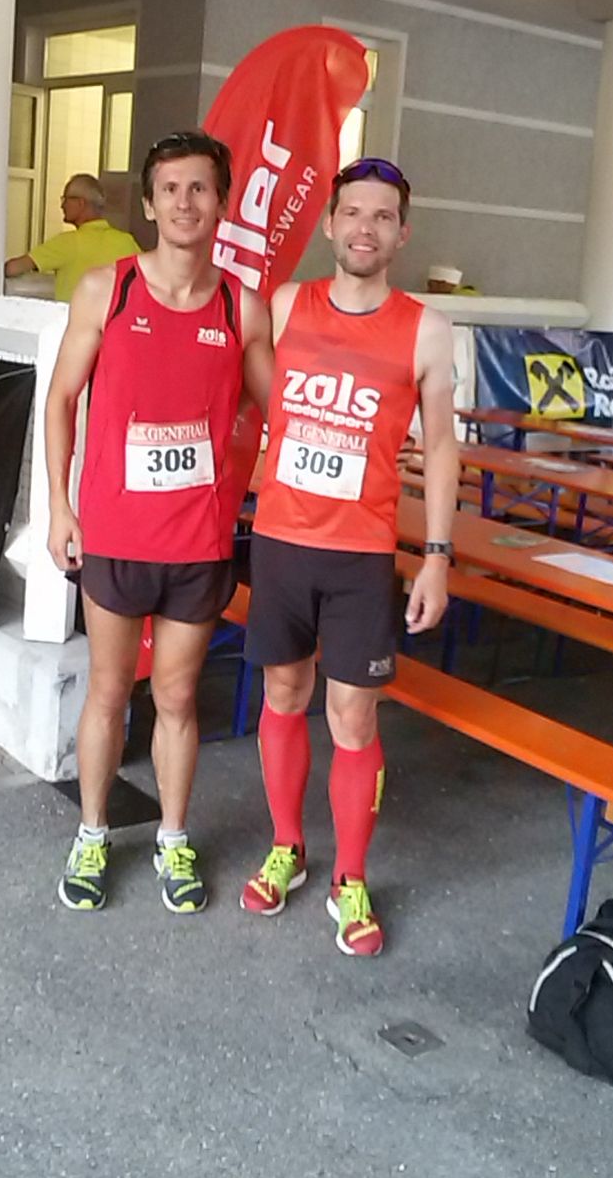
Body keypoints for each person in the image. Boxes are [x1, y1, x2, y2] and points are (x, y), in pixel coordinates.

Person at [45, 131, 273, 914]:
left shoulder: (242, 306)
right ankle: (93, 833)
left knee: (176, 698)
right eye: (170, 189)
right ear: (148, 203)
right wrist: (60, 506)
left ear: (222, 203)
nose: (184, 202)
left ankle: (174, 837)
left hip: (198, 541)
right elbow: (61, 399)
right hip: (114, 535)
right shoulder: (106, 290)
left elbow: (281, 410)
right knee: (109, 691)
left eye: (200, 188)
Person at [240, 156, 458, 957]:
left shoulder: (426, 328)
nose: (366, 228)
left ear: (402, 234)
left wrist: (437, 555)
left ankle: (351, 878)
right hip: (281, 542)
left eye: (382, 216)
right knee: (283, 692)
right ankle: (288, 847)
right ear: (330, 224)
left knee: (353, 715)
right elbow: (249, 391)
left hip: (361, 553)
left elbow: (442, 446)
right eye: (353, 213)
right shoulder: (287, 305)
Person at [4, 173, 141, 302]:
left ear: (81, 203)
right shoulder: (126, 242)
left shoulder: (68, 242)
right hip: (115, 319)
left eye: (66, 199)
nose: (62, 205)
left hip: (74, 318)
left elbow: (12, 268)